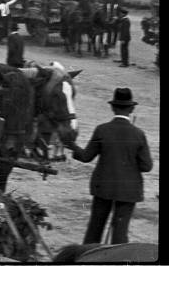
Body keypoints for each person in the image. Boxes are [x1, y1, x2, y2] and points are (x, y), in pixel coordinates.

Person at [65, 88, 152, 244]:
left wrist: (72, 146)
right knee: (120, 233)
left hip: (103, 187)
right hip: (128, 190)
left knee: (95, 229)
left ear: (112, 107)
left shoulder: (102, 129)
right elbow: (147, 166)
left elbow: (86, 157)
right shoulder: (138, 134)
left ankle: (87, 260)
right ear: (132, 109)